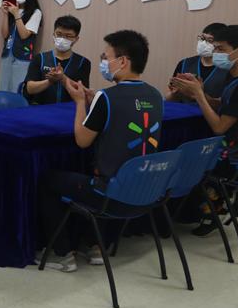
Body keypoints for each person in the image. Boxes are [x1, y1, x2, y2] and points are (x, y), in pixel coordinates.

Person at [37, 30, 163, 272]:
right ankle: (95, 245)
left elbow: (82, 140)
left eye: (106, 58)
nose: (103, 63)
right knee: (100, 170)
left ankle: (61, 253)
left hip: (113, 197)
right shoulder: (155, 95)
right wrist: (95, 102)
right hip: (146, 192)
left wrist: (80, 103)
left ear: (123, 61)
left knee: (49, 180)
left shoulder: (107, 97)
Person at [170, 24, 238, 236]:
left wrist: (198, 96)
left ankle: (204, 212)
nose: (216, 53)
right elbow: (224, 104)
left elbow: (220, 127)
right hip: (226, 147)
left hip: (232, 154)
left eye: (221, 49)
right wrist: (200, 93)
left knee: (183, 161)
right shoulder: (234, 77)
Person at [22, 15, 91, 105]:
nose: (62, 39)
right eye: (59, 34)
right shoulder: (40, 58)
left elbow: (83, 94)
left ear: (76, 39)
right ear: (53, 35)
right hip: (41, 108)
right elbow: (30, 89)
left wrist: (63, 78)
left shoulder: (83, 63)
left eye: (68, 36)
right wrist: (50, 81)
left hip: (69, 109)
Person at [166, 22, 228, 106]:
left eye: (210, 41)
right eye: (202, 39)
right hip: (183, 112)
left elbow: (226, 106)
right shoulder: (185, 63)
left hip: (210, 114)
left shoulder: (227, 68)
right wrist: (176, 93)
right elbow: (169, 99)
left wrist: (198, 93)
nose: (203, 43)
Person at [0, 0, 42, 93]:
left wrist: (16, 14)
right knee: (3, 89)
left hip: (23, 58)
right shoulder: (11, 12)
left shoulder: (35, 12)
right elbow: (4, 34)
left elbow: (24, 35)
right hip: (7, 55)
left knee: (18, 90)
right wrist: (5, 14)